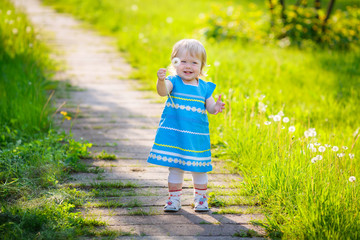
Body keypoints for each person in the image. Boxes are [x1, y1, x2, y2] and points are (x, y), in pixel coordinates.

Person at [147, 39, 225, 212]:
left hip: (196, 137)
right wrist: (160, 80)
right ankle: (173, 200)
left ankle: (201, 199)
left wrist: (216, 107)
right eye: (183, 61)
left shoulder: (204, 87)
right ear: (174, 63)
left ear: (201, 66)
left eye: (194, 62)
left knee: (199, 169)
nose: (188, 66)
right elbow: (162, 91)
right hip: (176, 135)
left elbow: (210, 107)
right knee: (175, 167)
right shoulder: (173, 81)